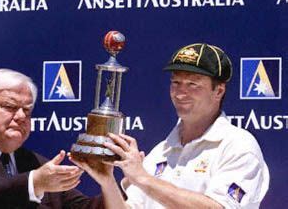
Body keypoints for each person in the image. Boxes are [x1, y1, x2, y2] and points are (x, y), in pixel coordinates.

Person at [71, 43, 270, 208]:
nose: (180, 93)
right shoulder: (162, 151)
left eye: (193, 84)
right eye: (176, 83)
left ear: (218, 91)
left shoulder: (238, 146)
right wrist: (107, 182)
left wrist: (142, 178)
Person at [0, 69, 103, 209]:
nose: (21, 116)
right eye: (10, 107)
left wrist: (118, 181)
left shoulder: (33, 162)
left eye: (27, 110)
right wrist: (33, 183)